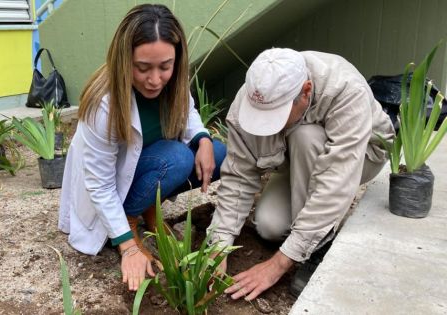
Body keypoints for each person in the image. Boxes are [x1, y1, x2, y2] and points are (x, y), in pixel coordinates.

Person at [58, 4, 226, 292]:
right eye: (142, 67)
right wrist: (128, 248)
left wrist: (204, 139)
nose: (155, 79)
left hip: (146, 166)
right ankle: (127, 222)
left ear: (176, 59)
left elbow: (189, 114)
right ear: (124, 60)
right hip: (116, 182)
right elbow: (99, 184)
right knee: (176, 159)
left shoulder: (173, 82)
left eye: (165, 66)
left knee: (219, 155)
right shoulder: (104, 103)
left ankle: (148, 211)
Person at [207, 48, 395, 300]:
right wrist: (217, 248)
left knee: (305, 135)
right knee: (269, 226)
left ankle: (318, 245)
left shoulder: (345, 89)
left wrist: (279, 264)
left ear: (306, 92)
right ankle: (307, 226)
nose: (265, 125)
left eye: (274, 117)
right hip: (298, 160)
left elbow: (335, 183)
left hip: (361, 157)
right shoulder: (252, 97)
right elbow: (239, 177)